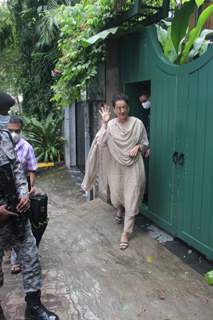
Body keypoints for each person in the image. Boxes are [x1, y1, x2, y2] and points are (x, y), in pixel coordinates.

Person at [0, 95, 59, 320]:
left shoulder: (5, 137)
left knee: (31, 256)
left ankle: (33, 306)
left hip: (17, 212)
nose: (5, 121)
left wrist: (24, 191)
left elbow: (17, 169)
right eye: (2, 115)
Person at [82, 94, 149, 250]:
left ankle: (126, 232)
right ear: (114, 109)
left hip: (133, 166)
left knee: (132, 198)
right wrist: (104, 123)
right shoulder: (110, 125)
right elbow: (101, 142)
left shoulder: (137, 124)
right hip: (115, 167)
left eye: (124, 107)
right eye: (118, 108)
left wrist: (138, 147)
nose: (122, 110)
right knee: (117, 195)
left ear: (128, 107)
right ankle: (119, 209)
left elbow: (145, 143)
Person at [7, 116, 37, 274]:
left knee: (19, 222)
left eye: (17, 131)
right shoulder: (2, 146)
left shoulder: (26, 147)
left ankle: (16, 259)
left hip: (21, 190)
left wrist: (31, 187)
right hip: (4, 192)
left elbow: (31, 168)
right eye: (10, 131)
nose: (14, 134)